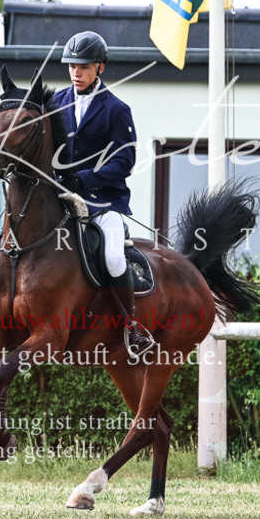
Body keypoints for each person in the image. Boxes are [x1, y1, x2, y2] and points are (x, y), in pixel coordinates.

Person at [51, 30, 154, 357]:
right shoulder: (55, 102)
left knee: (112, 256)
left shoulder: (116, 109)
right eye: (71, 66)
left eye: (83, 67)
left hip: (102, 202)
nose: (76, 73)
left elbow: (125, 161)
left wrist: (84, 178)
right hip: (60, 198)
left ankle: (132, 327)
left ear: (100, 68)